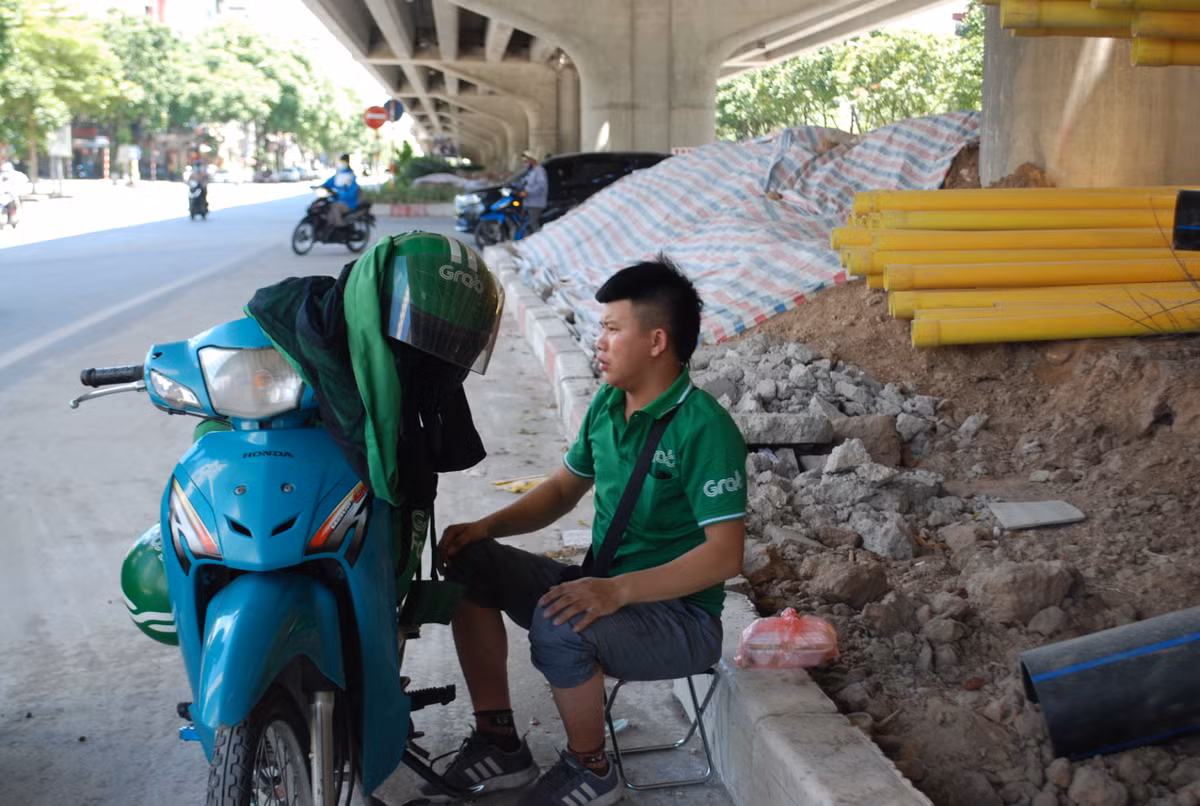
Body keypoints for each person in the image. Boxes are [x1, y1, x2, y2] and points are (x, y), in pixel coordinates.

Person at [425, 256, 747, 806]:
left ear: (656, 341)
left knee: (560, 621)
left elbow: (724, 557)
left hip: (680, 620)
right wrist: (486, 525)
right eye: (601, 327)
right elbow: (559, 492)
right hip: (606, 589)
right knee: (470, 562)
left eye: (612, 328)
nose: (599, 340)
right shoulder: (606, 404)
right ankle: (501, 742)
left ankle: (592, 768)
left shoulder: (704, 429)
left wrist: (617, 590)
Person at [318, 153, 360, 229]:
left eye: (343, 162)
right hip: (336, 200)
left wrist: (340, 193)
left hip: (348, 202)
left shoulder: (350, 176)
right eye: (341, 162)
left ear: (347, 163)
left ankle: (340, 226)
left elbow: (351, 193)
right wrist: (320, 186)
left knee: (335, 208)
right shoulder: (338, 175)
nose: (341, 164)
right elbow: (329, 183)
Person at [516, 150, 548, 233]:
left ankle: (539, 240)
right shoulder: (531, 171)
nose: (525, 163)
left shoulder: (539, 170)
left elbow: (541, 185)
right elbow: (524, 181)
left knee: (533, 222)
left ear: (532, 160)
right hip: (528, 202)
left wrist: (527, 192)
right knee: (524, 223)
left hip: (536, 202)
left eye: (526, 161)